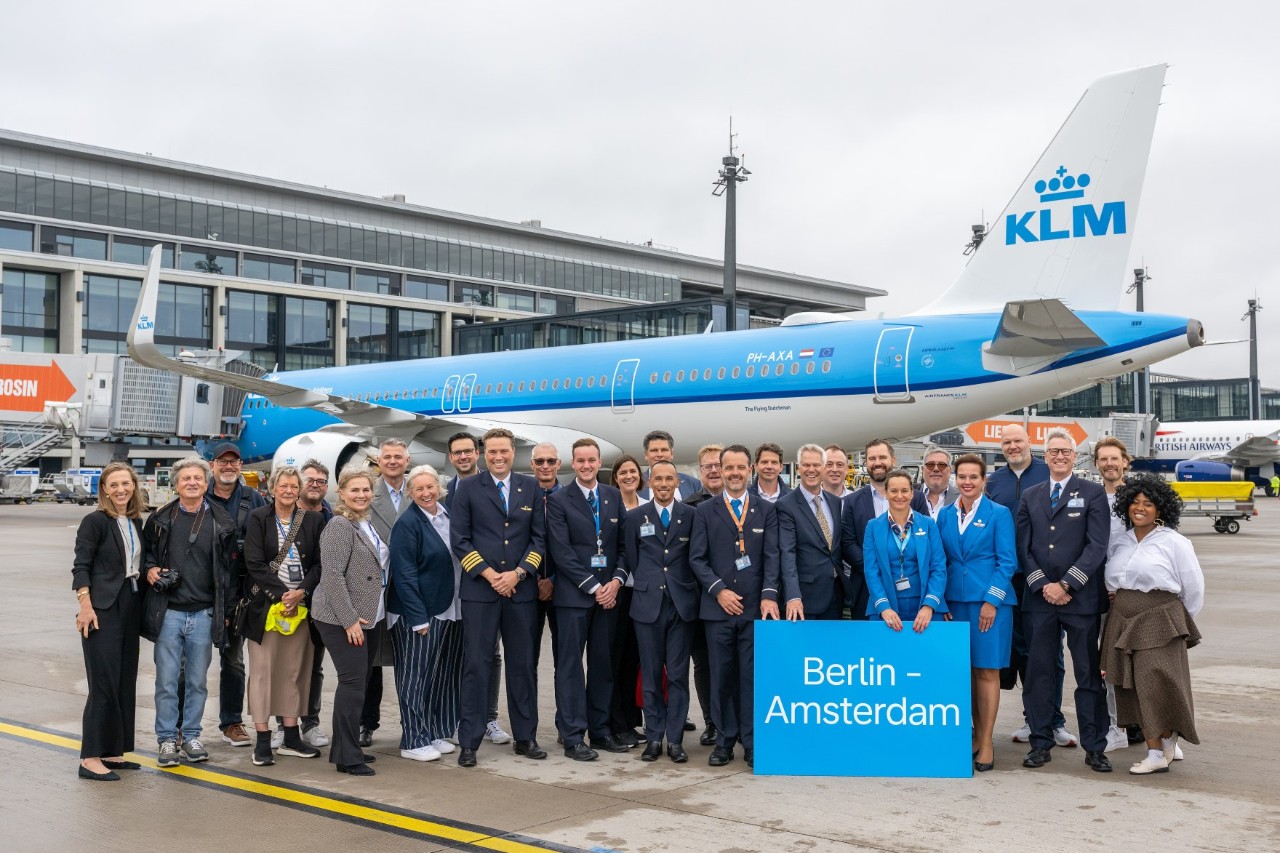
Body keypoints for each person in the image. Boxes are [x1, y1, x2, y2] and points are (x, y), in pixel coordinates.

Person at [1017, 428, 1112, 773]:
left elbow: (1097, 546)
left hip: (1081, 600)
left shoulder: (1092, 493)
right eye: (1053, 451)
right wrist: (1043, 584)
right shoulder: (1031, 495)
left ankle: (1095, 746)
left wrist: (1068, 584)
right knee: (1040, 673)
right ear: (1045, 456)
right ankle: (1040, 743)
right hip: (1040, 600)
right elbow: (1023, 547)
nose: (1059, 456)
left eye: (1065, 452)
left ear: (1075, 456)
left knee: (1088, 675)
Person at [450, 427, 546, 767]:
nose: (498, 457)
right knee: (477, 666)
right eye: (491, 451)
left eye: (503, 451)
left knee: (523, 667)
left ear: (513, 452)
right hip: (481, 592)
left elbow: (539, 540)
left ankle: (525, 737)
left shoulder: (530, 487)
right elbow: (460, 540)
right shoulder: (468, 488)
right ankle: (470, 742)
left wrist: (517, 574)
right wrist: (492, 576)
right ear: (482, 453)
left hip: (520, 592)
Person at [1103, 475, 1205, 775]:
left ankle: (1156, 751)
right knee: (1130, 687)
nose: (1140, 508)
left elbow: (1193, 588)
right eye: (1135, 502)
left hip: (1159, 620)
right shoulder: (1121, 542)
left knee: (1156, 683)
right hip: (1122, 620)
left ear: (1160, 509)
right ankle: (1164, 741)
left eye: (1148, 504)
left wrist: (1178, 624)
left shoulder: (1174, 542)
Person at [689, 444, 781, 768]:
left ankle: (752, 742)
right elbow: (696, 559)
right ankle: (724, 741)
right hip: (718, 610)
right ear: (722, 470)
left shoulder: (765, 510)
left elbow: (772, 558)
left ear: (750, 470)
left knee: (750, 678)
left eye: (741, 468)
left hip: (755, 610)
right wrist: (719, 591)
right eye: (728, 468)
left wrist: (769, 595)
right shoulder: (704, 511)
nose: (734, 473)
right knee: (721, 677)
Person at [142, 456, 236, 767]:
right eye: (186, 478)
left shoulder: (221, 521)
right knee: (167, 681)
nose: (192, 482)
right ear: (176, 484)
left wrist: (224, 611)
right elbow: (146, 558)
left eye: (198, 478)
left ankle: (193, 736)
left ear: (207, 483)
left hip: (204, 612)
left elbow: (228, 572)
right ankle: (168, 740)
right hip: (169, 612)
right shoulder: (158, 520)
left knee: (197, 680)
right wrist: (151, 570)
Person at [987, 424, 1074, 747]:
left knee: (1051, 652)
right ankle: (1032, 718)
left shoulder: (1046, 472)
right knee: (1023, 651)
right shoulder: (993, 481)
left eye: (1017, 441)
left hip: (1045, 580)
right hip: (1009, 581)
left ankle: (1055, 720)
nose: (1012, 446)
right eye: (1007, 442)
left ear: (1029, 443)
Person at [549, 439, 628, 759]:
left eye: (591, 460)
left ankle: (599, 731)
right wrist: (595, 587)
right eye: (580, 460)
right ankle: (571, 736)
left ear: (598, 463)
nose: (586, 465)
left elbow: (624, 547)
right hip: (574, 598)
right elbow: (561, 552)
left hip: (608, 597)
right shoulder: (558, 499)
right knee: (569, 668)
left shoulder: (611, 496)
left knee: (602, 666)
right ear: (573, 462)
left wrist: (616, 582)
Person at [936, 454, 1016, 772]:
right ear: (956, 479)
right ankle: (973, 735)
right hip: (954, 604)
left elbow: (1007, 561)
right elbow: (939, 562)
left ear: (984, 481)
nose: (967, 482)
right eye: (962, 476)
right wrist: (940, 603)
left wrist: (991, 601)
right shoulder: (945, 515)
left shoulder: (999, 514)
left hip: (989, 606)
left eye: (974, 477)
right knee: (964, 673)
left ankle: (986, 743)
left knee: (987, 671)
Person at [241, 465, 325, 766]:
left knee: (294, 673)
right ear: (272, 488)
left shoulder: (313, 520)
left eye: (293, 486)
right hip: (265, 608)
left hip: (301, 609)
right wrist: (282, 594)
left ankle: (291, 736)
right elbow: (254, 562)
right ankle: (262, 740)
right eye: (283, 486)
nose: (288, 491)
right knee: (263, 674)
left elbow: (318, 563)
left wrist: (300, 592)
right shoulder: (259, 518)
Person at [72, 462, 147, 781]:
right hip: (102, 608)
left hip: (130, 605)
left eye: (126, 484)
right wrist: (85, 605)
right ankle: (90, 758)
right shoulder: (94, 522)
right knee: (102, 683)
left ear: (134, 486)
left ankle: (113, 751)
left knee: (123, 679)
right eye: (113, 485)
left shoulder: (135, 521)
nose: (120, 490)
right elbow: (81, 566)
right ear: (104, 489)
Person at [310, 467, 386, 776]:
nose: (361, 495)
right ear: (341, 493)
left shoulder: (366, 522)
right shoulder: (339, 525)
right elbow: (331, 577)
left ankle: (348, 744)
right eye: (354, 490)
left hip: (367, 615)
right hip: (340, 616)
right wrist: (350, 621)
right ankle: (346, 756)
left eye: (366, 489)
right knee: (352, 683)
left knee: (360, 683)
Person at [623, 460, 699, 763]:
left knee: (679, 675)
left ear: (677, 482)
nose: (664, 484)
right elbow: (631, 556)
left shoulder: (691, 516)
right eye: (658, 479)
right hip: (647, 605)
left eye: (670, 479)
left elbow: (696, 555)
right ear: (649, 482)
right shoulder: (635, 517)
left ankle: (676, 739)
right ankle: (654, 737)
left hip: (681, 605)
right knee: (652, 675)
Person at [387, 465, 459, 763]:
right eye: (419, 489)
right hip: (417, 613)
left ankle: (430, 732)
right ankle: (413, 739)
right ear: (410, 493)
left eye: (430, 487)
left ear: (439, 488)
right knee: (414, 677)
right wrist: (418, 619)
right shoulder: (408, 524)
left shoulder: (447, 515)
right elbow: (404, 575)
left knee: (438, 676)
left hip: (446, 607)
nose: (427, 493)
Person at [443, 431, 510, 746]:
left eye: (468, 451)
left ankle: (490, 718)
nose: (463, 457)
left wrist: (492, 575)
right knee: (462, 656)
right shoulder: (442, 492)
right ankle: (458, 718)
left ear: (477, 454)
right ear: (451, 457)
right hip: (451, 586)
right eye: (457, 453)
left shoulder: (493, 486)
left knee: (489, 654)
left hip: (485, 583)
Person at [204, 442, 266, 750]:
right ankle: (179, 726)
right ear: (212, 465)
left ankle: (231, 722)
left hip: (238, 593)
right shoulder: (200, 495)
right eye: (223, 462)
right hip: (203, 592)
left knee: (234, 661)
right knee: (191, 663)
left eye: (234, 462)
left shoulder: (252, 498)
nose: (229, 467)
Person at [359, 438, 412, 748]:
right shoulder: (367, 490)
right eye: (387, 457)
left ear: (407, 460)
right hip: (374, 588)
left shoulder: (419, 488)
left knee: (409, 662)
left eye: (398, 456)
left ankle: (413, 722)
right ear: (379, 462)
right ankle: (367, 723)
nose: (393, 461)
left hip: (409, 588)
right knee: (372, 663)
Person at [840, 439, 930, 619]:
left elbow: (924, 541)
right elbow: (847, 543)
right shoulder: (852, 501)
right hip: (867, 588)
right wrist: (876, 567)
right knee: (872, 645)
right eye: (872, 458)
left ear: (893, 460)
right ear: (866, 463)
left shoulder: (916, 498)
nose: (877, 463)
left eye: (882, 457)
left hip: (912, 588)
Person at [1094, 437, 1145, 752]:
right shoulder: (1092, 498)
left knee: (1143, 663)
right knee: (1109, 663)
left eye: (1114, 458)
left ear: (1125, 461)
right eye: (1103, 459)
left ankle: (1153, 725)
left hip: (1134, 594)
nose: (1109, 464)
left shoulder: (1137, 499)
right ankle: (1117, 726)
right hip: (1102, 594)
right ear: (1097, 464)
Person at [862, 469, 948, 631]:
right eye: (893, 491)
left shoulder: (928, 524)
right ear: (886, 493)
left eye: (904, 490)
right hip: (886, 605)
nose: (899, 496)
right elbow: (871, 571)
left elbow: (938, 567)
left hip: (924, 603)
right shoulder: (873, 527)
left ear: (912, 494)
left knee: (925, 655)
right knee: (888, 655)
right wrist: (884, 608)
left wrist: (929, 605)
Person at [681, 443, 724, 745]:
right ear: (699, 471)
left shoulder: (749, 502)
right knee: (705, 665)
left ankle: (734, 721)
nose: (713, 470)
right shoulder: (689, 506)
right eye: (707, 466)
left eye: (718, 464)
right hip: (701, 600)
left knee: (734, 665)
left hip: (738, 598)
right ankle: (711, 722)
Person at [776, 443, 844, 621]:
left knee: (831, 648)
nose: (811, 469)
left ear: (824, 468)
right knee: (806, 649)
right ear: (798, 468)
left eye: (816, 465)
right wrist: (792, 596)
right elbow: (787, 553)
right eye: (806, 465)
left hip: (835, 595)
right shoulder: (785, 505)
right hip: (804, 600)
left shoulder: (835, 502)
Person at [293, 459, 333, 747]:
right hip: (286, 601)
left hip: (322, 602)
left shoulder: (333, 516)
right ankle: (285, 724)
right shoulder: (283, 515)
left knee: (314, 667)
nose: (315, 485)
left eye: (321, 481)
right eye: (310, 480)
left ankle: (310, 723)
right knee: (286, 667)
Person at [608, 455, 646, 744]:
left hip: (643, 594)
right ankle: (616, 722)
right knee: (615, 659)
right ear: (616, 477)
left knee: (635, 660)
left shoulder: (648, 507)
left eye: (633, 471)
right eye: (623, 472)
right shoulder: (609, 506)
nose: (629, 476)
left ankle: (632, 722)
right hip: (618, 592)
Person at [529, 442, 562, 674]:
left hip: (563, 587)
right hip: (527, 586)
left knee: (565, 658)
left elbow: (577, 547)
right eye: (540, 461)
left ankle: (566, 712)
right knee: (527, 659)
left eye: (550, 461)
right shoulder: (522, 496)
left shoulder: (571, 497)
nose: (545, 466)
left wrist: (553, 579)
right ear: (532, 465)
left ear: (558, 464)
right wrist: (535, 579)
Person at [638, 430, 701, 501]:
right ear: (646, 455)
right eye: (654, 450)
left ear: (672, 453)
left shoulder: (693, 484)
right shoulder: (636, 484)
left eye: (664, 450)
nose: (659, 454)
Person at [920, 446, 959, 519]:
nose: (936, 469)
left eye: (942, 465)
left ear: (950, 470)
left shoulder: (962, 498)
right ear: (922, 470)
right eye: (930, 465)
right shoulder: (908, 497)